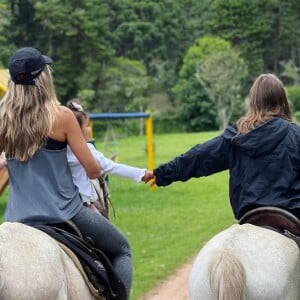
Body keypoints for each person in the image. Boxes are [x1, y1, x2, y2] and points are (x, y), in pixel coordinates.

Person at [0, 47, 148, 299]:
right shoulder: (62, 116)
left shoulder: (3, 119)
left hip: (18, 217)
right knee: (122, 249)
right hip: (65, 212)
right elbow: (92, 169)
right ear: (43, 77)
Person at [146, 73, 300, 221]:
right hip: (291, 215)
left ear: (254, 101)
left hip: (250, 216)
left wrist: (161, 173)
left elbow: (198, 156)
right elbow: (199, 156)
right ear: (282, 100)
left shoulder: (236, 136)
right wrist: (163, 173)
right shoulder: (295, 135)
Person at [65, 99, 151, 214]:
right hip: (82, 204)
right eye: (86, 126)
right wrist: (142, 173)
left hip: (59, 203)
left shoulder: (58, 149)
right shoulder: (86, 149)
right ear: (76, 130)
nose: (89, 129)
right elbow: (111, 167)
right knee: (111, 232)